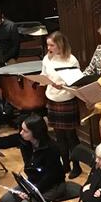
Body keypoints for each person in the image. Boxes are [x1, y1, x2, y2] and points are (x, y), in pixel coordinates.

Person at [0, 115, 67, 202]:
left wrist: (31, 193)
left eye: (25, 130)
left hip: (53, 185)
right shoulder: (25, 140)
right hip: (32, 184)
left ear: (36, 133)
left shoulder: (52, 148)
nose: (21, 132)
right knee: (6, 201)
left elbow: (52, 176)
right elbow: (5, 141)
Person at [40, 30, 82, 178]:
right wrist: (43, 80)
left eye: (51, 45)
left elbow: (77, 81)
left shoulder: (71, 60)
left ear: (60, 44)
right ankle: (65, 164)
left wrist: (62, 83)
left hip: (67, 100)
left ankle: (76, 166)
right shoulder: (47, 58)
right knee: (59, 136)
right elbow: (44, 74)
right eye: (48, 45)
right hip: (52, 99)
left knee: (71, 137)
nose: (49, 48)